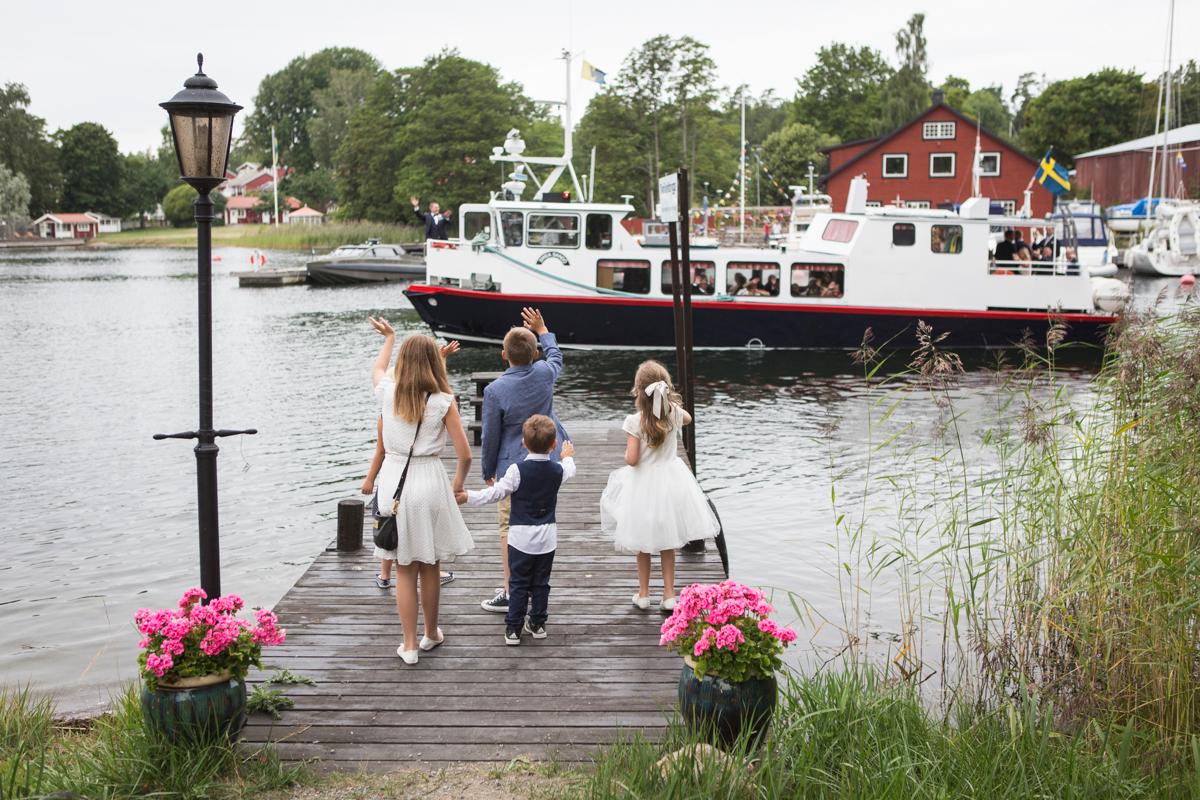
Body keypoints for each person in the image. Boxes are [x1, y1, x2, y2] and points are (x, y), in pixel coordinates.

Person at [368, 319, 474, 664]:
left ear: (403, 360)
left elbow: (379, 368)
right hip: (429, 480)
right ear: (433, 362)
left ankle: (409, 645)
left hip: (394, 480)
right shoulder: (443, 401)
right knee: (430, 563)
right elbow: (465, 454)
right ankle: (431, 633)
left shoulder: (387, 391)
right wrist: (458, 484)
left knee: (402, 567)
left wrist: (389, 338)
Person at [600, 361, 720, 612]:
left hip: (643, 486)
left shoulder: (635, 421)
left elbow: (632, 460)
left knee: (642, 543)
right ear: (665, 388)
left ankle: (643, 594)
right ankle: (668, 595)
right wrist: (669, 404)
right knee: (668, 542)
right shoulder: (674, 414)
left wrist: (626, 453)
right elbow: (687, 418)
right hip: (671, 483)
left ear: (637, 390)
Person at [479, 308, 570, 614]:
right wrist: (544, 329)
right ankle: (534, 584)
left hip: (511, 467)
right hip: (547, 461)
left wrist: (488, 471)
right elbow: (556, 356)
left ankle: (510, 588)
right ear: (534, 354)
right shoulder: (545, 372)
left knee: (509, 526)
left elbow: (490, 435)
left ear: (504, 355)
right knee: (540, 518)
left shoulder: (495, 391)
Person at [458, 417, 576, 645]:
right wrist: (567, 455)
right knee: (541, 582)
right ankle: (538, 623)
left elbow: (495, 493)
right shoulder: (557, 471)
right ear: (553, 445)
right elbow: (570, 468)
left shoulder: (516, 470)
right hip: (547, 538)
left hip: (520, 539)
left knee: (519, 583)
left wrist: (468, 496)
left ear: (523, 443)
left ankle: (513, 629)